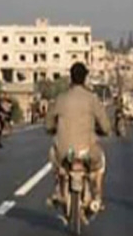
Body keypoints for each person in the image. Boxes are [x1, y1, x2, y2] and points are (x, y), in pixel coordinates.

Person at [46, 62, 112, 210]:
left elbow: (48, 123)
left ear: (71, 77)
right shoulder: (92, 98)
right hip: (87, 151)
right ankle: (97, 196)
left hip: (64, 152)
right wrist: (105, 131)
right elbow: (106, 126)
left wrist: (52, 129)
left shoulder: (61, 98)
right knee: (100, 163)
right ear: (85, 78)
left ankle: (59, 190)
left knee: (54, 158)